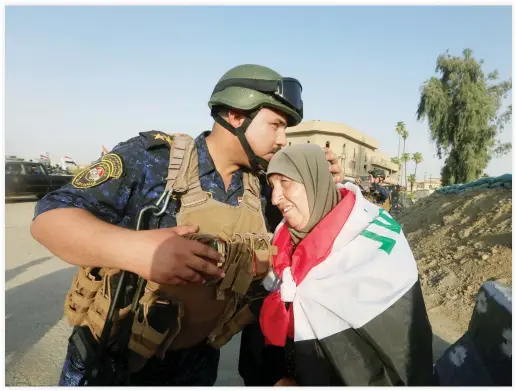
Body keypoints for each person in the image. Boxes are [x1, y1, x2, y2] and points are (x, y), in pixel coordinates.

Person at [30, 64, 342, 386]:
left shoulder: (261, 187)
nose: (282, 139)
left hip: (196, 363)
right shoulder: (154, 160)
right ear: (236, 115)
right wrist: (135, 250)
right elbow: (50, 218)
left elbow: (305, 243)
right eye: (275, 125)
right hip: (112, 362)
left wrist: (319, 186)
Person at [258, 144, 435, 386]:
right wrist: (279, 376)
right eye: (272, 186)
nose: (275, 197)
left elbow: (400, 351)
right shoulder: (283, 241)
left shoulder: (367, 241)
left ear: (314, 181)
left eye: (285, 182)